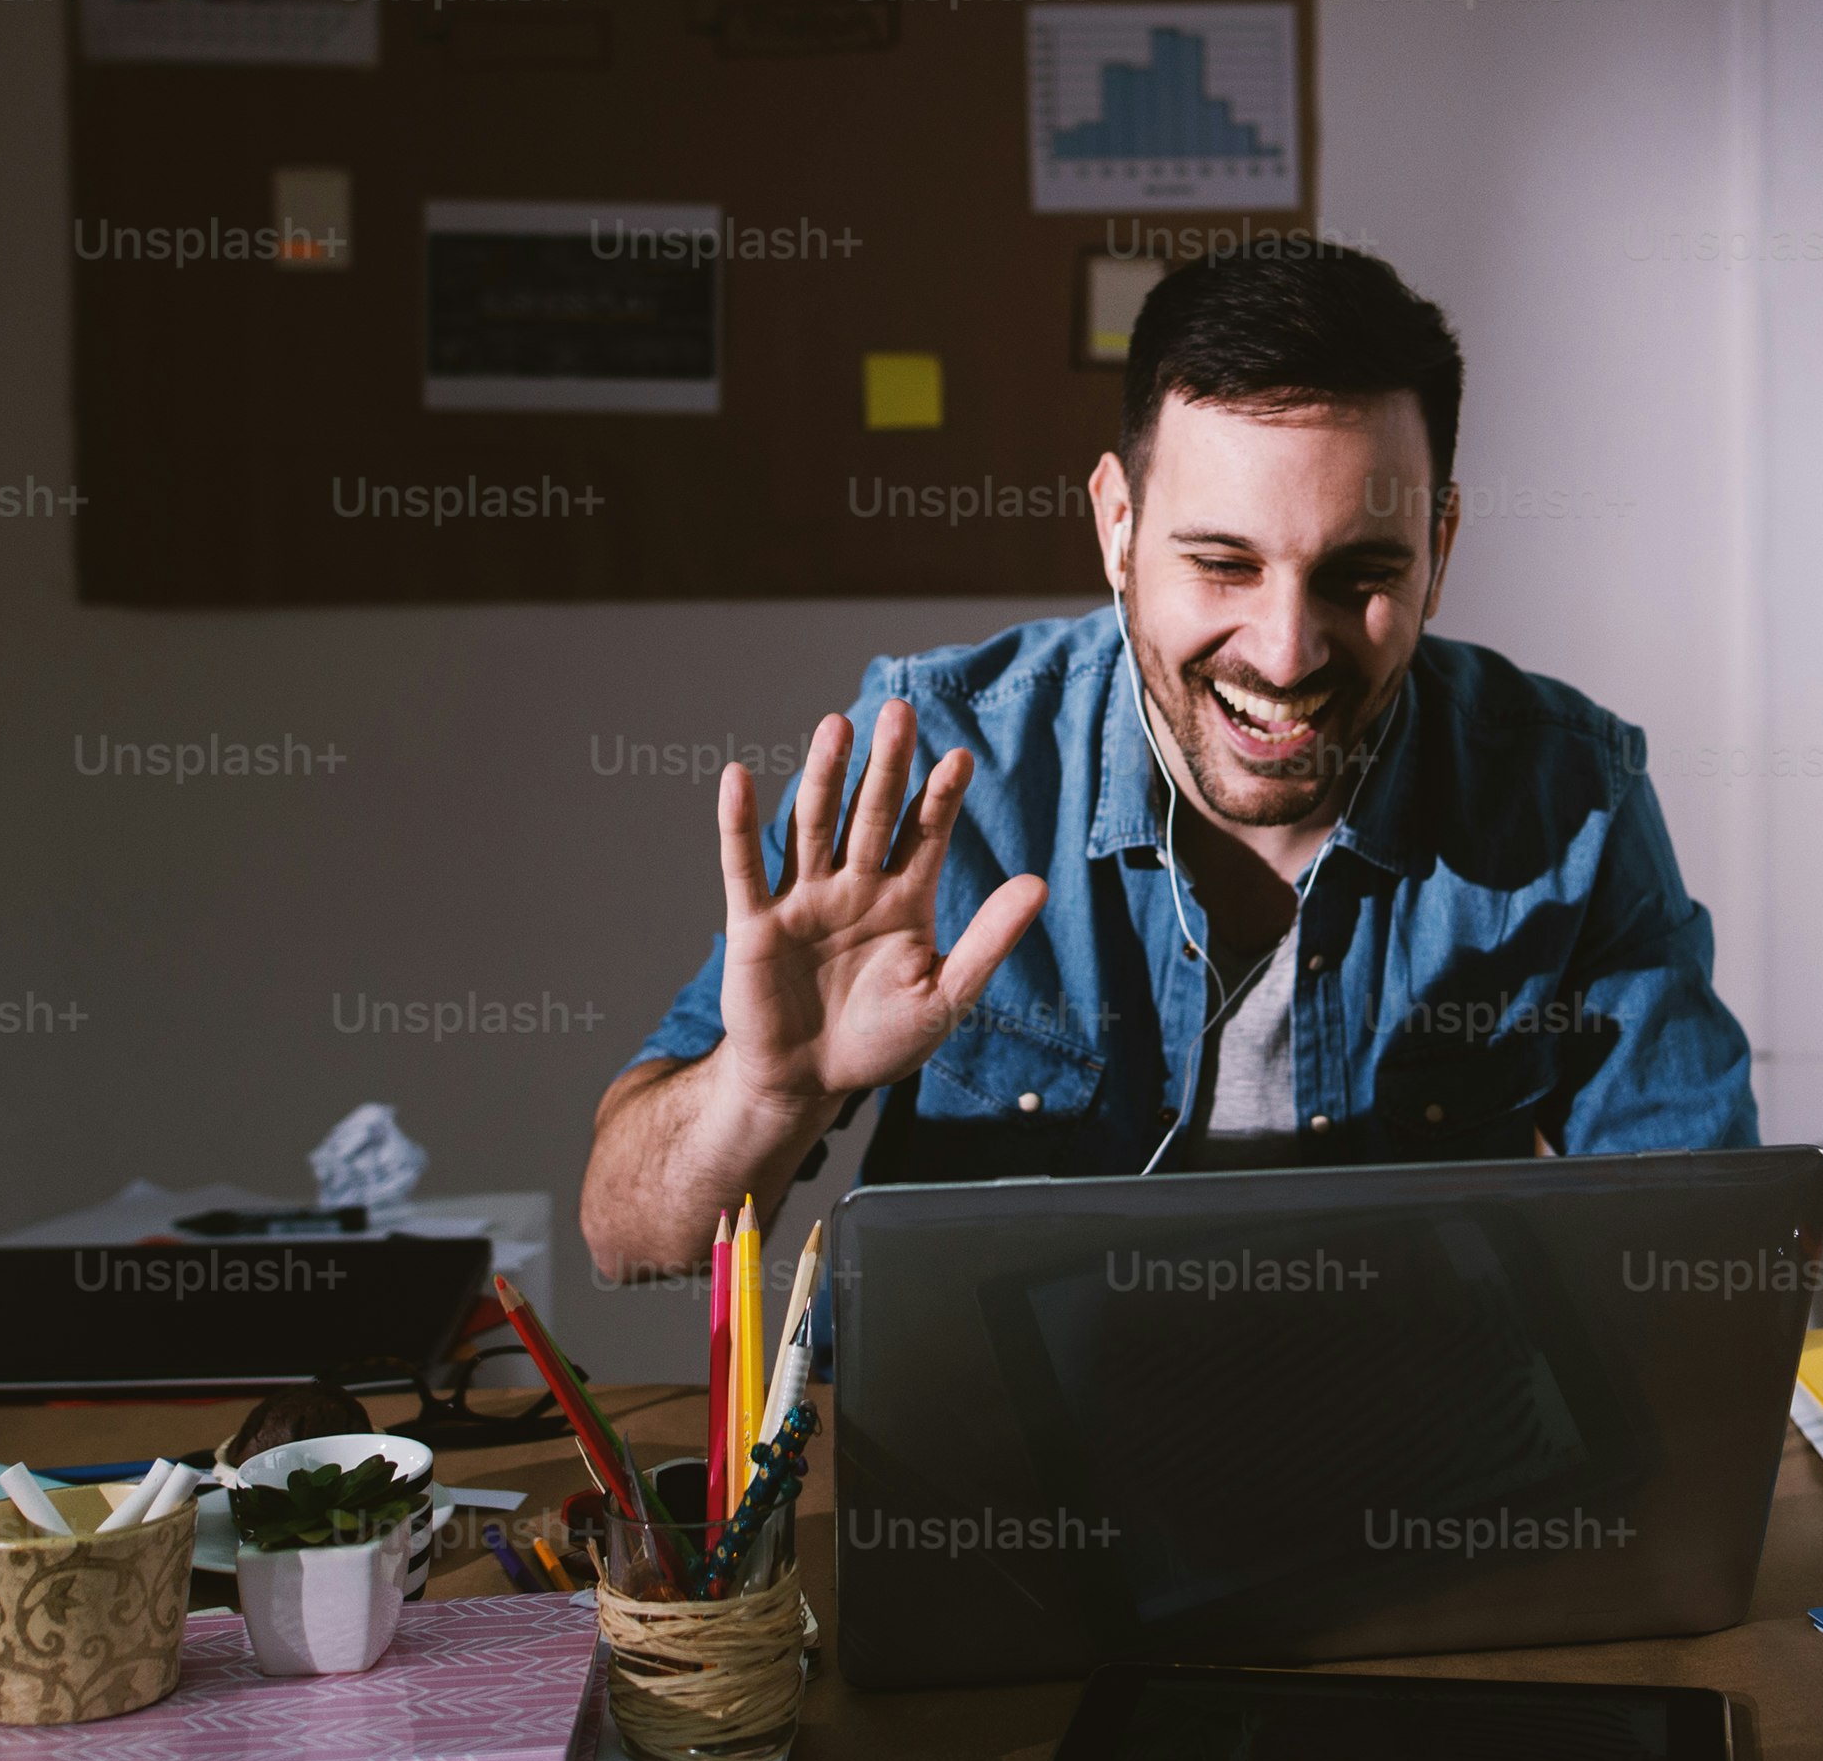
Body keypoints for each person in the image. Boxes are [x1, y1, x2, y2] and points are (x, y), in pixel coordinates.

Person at [578, 240, 1756, 1281]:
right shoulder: (944, 761)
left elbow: (1706, 1261)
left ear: (1437, 550)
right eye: (1223, 565)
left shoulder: (1567, 792)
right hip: (997, 1474)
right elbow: (635, 1246)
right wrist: (766, 1092)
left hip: (1414, 1475)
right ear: (1117, 528)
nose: (1287, 651)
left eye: (1361, 576)